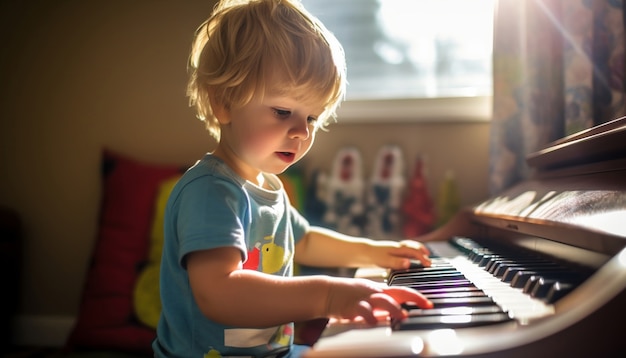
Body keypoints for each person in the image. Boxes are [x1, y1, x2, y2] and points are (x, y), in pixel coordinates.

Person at [153, 0, 434, 357]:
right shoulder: (211, 193)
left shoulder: (269, 187)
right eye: (283, 111)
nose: (301, 131)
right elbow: (217, 293)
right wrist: (328, 296)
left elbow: (306, 241)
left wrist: (375, 251)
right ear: (222, 103)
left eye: (312, 117)